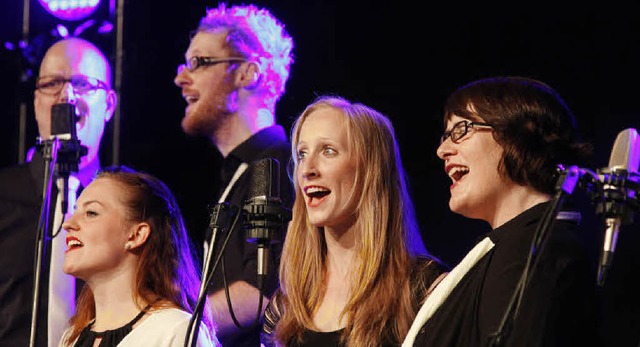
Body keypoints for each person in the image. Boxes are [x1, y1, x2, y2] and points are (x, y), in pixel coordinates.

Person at [403, 76, 603, 347]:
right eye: (446, 135)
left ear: (521, 135)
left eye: (461, 129)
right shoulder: (511, 248)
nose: (442, 150)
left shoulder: (535, 252)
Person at [260, 95, 449, 347]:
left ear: (371, 170)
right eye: (302, 154)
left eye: (328, 151)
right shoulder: (285, 307)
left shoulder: (424, 292)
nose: (307, 169)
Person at [173, 3, 295, 346]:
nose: (181, 77)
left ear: (247, 73)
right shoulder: (239, 172)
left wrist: (169, 329)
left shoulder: (276, 165)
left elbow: (260, 293)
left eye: (199, 62)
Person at [0, 37, 117, 346]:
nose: (66, 95)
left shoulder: (133, 203)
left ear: (108, 105)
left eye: (83, 84)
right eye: (52, 83)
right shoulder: (3, 194)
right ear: (36, 101)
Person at [57, 165, 219, 346]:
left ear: (136, 235)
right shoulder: (71, 338)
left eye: (91, 213)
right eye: (74, 210)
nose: (68, 223)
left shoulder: (175, 330)